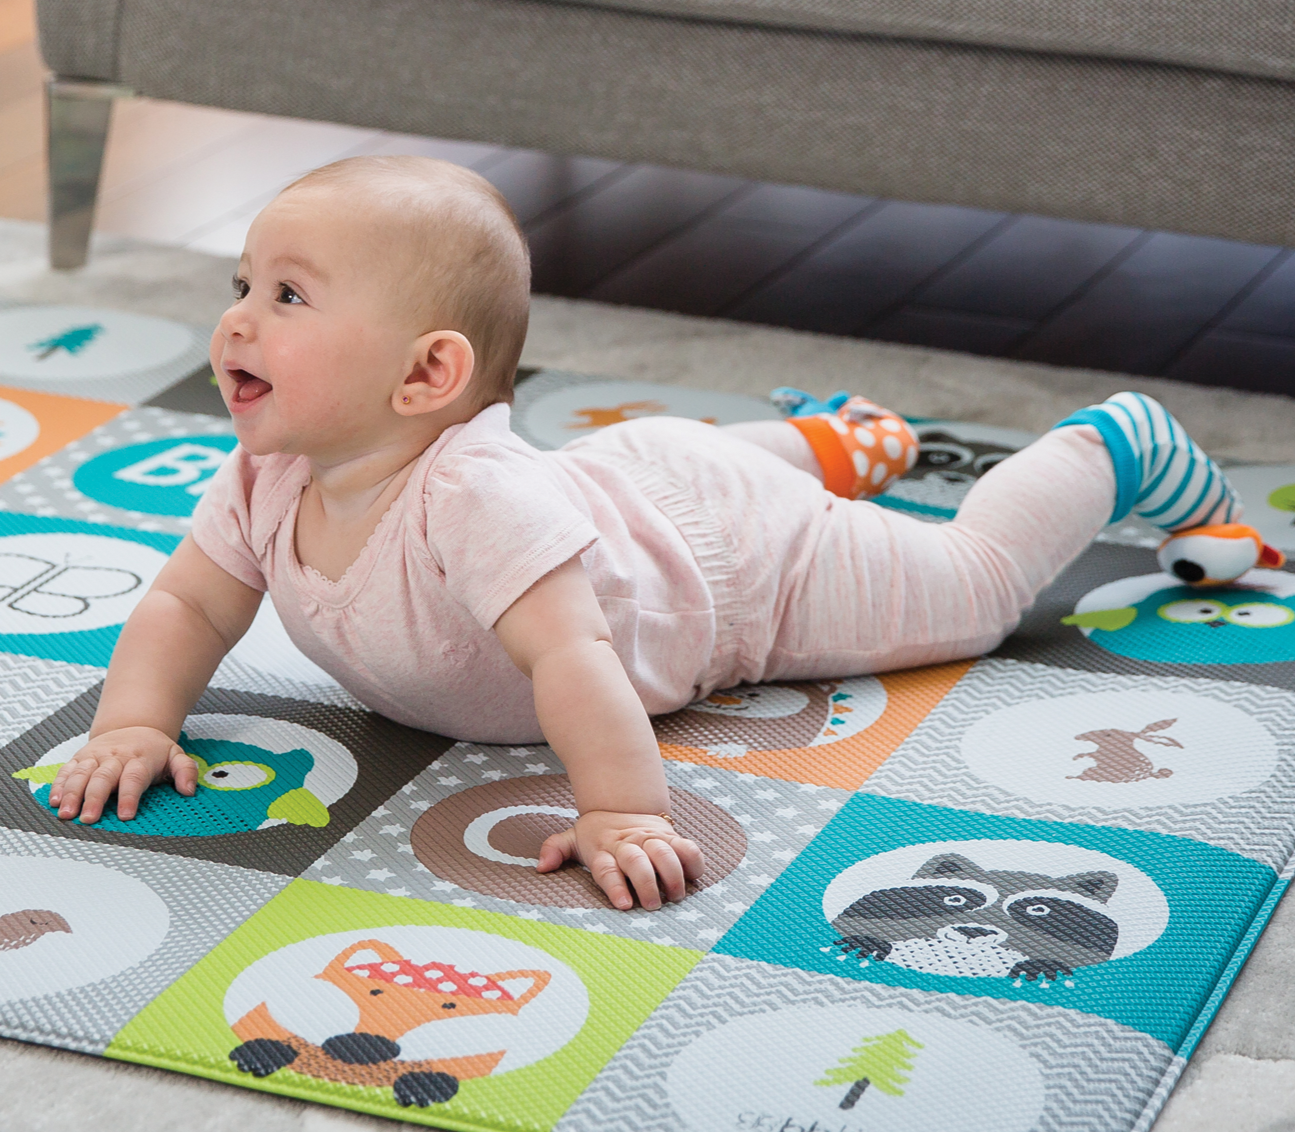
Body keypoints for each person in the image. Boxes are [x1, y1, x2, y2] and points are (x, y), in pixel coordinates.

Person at [46, 156, 1241, 911]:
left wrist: (622, 808)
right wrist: (134, 723)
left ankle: (1107, 446)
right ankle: (832, 446)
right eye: (241, 286)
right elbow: (187, 602)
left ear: (426, 375)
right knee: (689, 464)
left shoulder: (475, 496)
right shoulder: (272, 471)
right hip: (624, 482)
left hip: (735, 570)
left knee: (970, 592)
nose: (238, 322)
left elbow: (576, 659)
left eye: (286, 297)